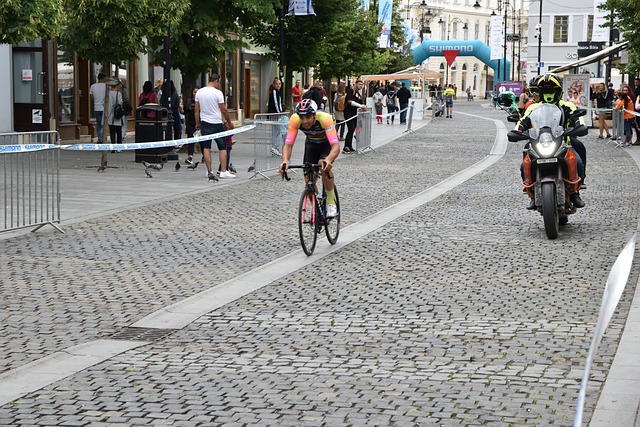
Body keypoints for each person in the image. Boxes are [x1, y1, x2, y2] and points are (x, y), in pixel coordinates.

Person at [515, 73, 586, 209]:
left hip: (564, 142)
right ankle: (531, 192)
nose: (549, 93)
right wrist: (518, 131)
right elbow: (522, 122)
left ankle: (576, 191)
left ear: (558, 92)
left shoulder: (568, 106)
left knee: (578, 159)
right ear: (540, 93)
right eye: (545, 91)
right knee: (524, 164)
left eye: (552, 90)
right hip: (539, 142)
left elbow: (578, 119)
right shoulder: (533, 108)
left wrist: (579, 126)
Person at [278, 99, 340, 217]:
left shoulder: (325, 119)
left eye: (308, 117)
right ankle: (316, 208)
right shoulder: (295, 120)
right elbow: (288, 145)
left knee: (322, 164)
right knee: (308, 181)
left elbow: (335, 146)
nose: (304, 121)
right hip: (311, 144)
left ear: (314, 115)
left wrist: (329, 159)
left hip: (326, 144)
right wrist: (285, 161)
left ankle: (331, 202)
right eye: (302, 117)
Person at [195, 74, 235, 180]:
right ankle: (223, 171)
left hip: (205, 122)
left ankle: (209, 171)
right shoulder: (218, 93)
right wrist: (229, 123)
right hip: (217, 123)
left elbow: (196, 109)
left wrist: (197, 123)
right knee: (223, 147)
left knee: (206, 147)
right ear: (216, 81)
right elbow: (223, 109)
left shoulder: (199, 92)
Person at [343, 79, 366, 153]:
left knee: (352, 130)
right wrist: (360, 105)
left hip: (355, 114)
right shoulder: (351, 91)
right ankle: (346, 146)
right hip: (349, 113)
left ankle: (349, 146)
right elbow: (349, 101)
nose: (361, 86)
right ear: (355, 84)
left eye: (362, 84)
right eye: (359, 84)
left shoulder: (358, 93)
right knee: (350, 129)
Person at [107, 79, 126, 150]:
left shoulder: (108, 94)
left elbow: (104, 103)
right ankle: (119, 147)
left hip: (110, 114)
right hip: (117, 115)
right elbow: (120, 103)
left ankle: (113, 146)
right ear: (116, 86)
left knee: (112, 131)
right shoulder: (118, 94)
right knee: (119, 131)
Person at [89, 72, 107, 143]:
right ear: (103, 78)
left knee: (98, 123)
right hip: (103, 107)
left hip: (96, 107)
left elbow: (91, 96)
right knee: (103, 124)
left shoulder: (93, 86)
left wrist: (96, 100)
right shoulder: (106, 86)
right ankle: (101, 138)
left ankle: (100, 138)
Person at [267, 77, 283, 156]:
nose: (278, 85)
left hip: (275, 114)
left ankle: (275, 148)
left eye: (279, 84)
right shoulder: (274, 92)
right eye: (277, 84)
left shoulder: (277, 92)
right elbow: (276, 103)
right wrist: (279, 112)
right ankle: (274, 147)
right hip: (275, 115)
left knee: (277, 132)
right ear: (273, 85)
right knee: (278, 131)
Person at [183, 86, 199, 164]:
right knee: (190, 139)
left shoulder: (202, 102)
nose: (195, 94)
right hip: (190, 122)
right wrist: (181, 109)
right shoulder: (189, 101)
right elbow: (185, 112)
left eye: (197, 92)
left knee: (202, 140)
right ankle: (190, 156)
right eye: (194, 92)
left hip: (200, 123)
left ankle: (204, 155)